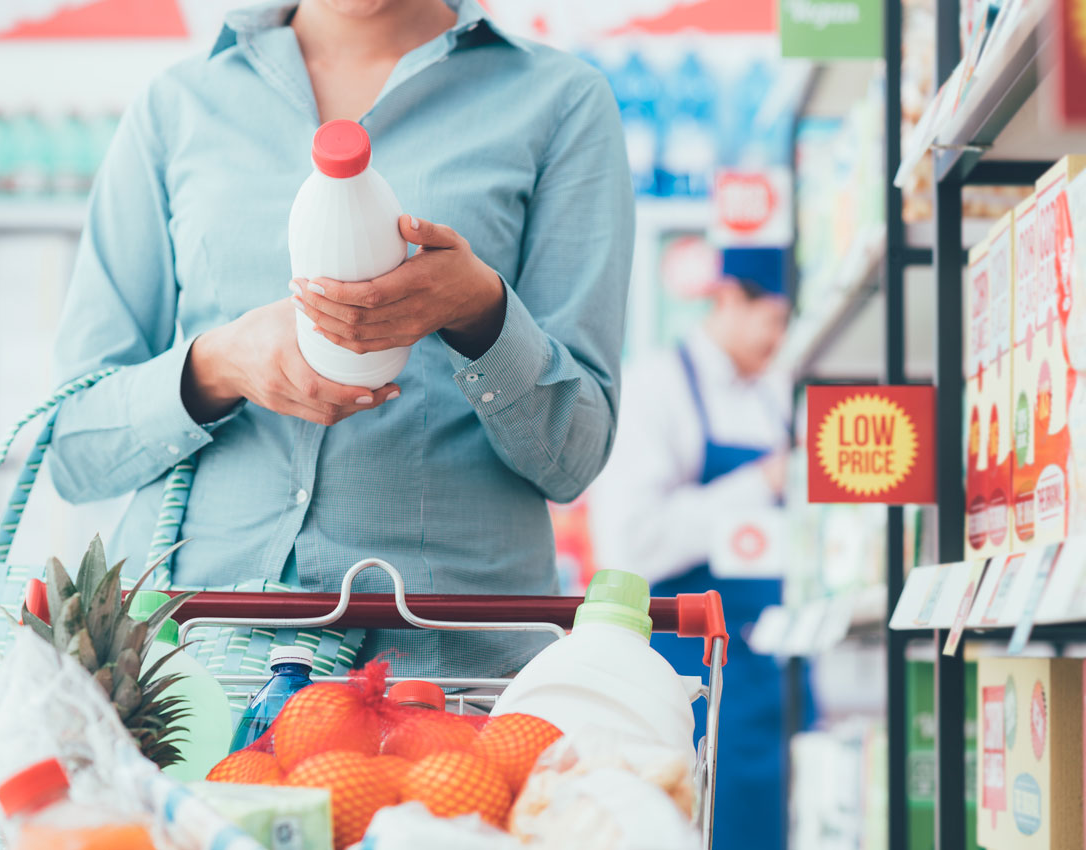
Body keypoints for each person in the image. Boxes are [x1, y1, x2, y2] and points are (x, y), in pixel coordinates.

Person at [47, 0, 634, 678]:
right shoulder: (179, 106)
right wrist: (214, 369)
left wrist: (480, 311)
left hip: (445, 676)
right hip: (194, 669)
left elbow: (574, 459)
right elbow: (72, 448)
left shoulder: (559, 102)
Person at [589, 246, 813, 850]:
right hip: (691, 674)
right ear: (731, 299)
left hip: (772, 672)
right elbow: (634, 542)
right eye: (776, 317)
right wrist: (760, 483)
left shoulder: (774, 397)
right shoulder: (655, 388)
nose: (782, 337)